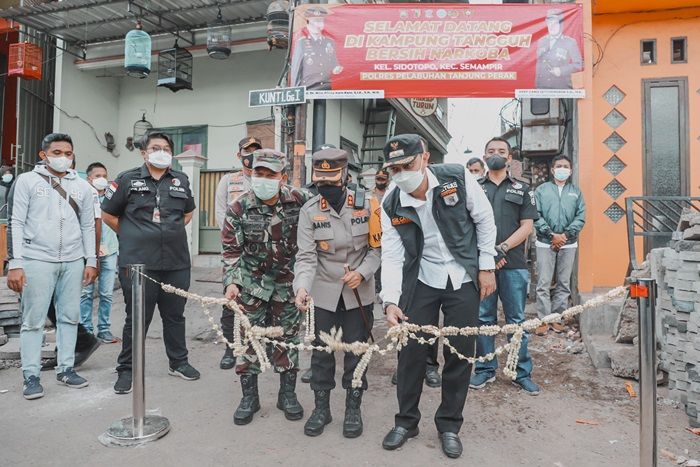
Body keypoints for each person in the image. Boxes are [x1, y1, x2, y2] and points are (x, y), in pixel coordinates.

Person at [379, 134, 497, 459]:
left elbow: (484, 219)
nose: (402, 173)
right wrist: (390, 299)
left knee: (459, 353)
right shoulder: (391, 202)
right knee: (411, 352)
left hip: (462, 274)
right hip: (421, 279)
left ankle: (449, 426)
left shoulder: (456, 178)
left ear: (425, 158)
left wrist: (485, 265)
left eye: (408, 165)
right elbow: (391, 255)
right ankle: (406, 421)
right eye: (394, 169)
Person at [102, 131, 200, 395]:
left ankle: (178, 362)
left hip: (177, 262)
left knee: (175, 317)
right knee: (137, 319)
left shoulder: (180, 179)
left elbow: (188, 213)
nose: (162, 151)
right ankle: (126, 369)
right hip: (138, 264)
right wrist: (134, 233)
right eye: (156, 147)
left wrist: (167, 231)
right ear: (144, 152)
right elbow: (108, 214)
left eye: (166, 148)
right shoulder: (126, 179)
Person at [294, 147, 381, 438]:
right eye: (321, 180)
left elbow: (377, 249)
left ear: (345, 175)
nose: (326, 185)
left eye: (332, 179)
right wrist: (302, 287)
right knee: (322, 354)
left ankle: (353, 409)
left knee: (357, 353)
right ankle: (322, 409)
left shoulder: (369, 205)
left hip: (359, 292)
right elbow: (306, 257)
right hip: (324, 292)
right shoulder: (309, 211)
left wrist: (362, 272)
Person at [222, 149, 311, 426]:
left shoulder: (301, 201)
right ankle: (250, 397)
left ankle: (287, 395)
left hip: (289, 283)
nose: (262, 179)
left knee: (289, 338)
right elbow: (231, 251)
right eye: (258, 173)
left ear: (282, 176)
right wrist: (232, 282)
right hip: (252, 284)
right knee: (249, 340)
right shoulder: (239, 207)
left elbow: (314, 237)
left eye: (269, 175)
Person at [7, 133, 98, 400]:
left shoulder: (81, 186)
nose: (64, 158)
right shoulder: (27, 181)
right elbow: (16, 222)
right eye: (57, 152)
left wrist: (90, 260)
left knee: (70, 317)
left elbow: (88, 225)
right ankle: (31, 375)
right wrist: (16, 263)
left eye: (68, 153)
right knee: (33, 321)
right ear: (43, 155)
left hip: (72, 260)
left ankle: (66, 368)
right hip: (37, 259)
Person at [470, 137, 540, 395]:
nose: (496, 154)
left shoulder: (523, 189)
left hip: (514, 264)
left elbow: (527, 226)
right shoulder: (474, 188)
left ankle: (520, 372)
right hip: (483, 266)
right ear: (484, 156)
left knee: (516, 321)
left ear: (510, 158)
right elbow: (468, 226)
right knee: (483, 318)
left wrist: (503, 248)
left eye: (501, 151)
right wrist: (487, 255)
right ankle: (484, 370)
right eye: (491, 151)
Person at [214, 136, 262, 370]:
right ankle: (230, 347)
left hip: (262, 252)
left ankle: (260, 345)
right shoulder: (228, 180)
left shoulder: (266, 178)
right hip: (235, 250)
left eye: (255, 150)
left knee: (262, 299)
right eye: (247, 151)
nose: (251, 155)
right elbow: (221, 214)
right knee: (231, 300)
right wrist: (234, 241)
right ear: (239, 154)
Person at [534, 155, 586, 335]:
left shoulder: (576, 192)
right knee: (543, 282)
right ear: (552, 169)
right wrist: (550, 234)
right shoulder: (541, 190)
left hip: (568, 243)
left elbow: (581, 217)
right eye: (559, 166)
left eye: (565, 166)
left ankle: (556, 318)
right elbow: (535, 214)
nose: (562, 169)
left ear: (570, 171)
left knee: (564, 283)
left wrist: (565, 235)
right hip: (544, 242)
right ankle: (543, 320)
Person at [80, 162, 120, 344]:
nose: (101, 178)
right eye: (97, 176)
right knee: (86, 293)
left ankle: (104, 329)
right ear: (89, 178)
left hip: (110, 250)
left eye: (104, 175)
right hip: (87, 253)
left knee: (106, 293)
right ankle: (87, 330)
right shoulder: (83, 197)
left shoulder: (113, 200)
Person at [290, 7, 343, 90]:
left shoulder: (329, 42)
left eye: (320, 21)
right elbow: (297, 67)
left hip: (326, 85)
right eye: (314, 22)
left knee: (321, 103)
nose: (317, 25)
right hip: (308, 85)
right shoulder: (302, 43)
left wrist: (337, 68)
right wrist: (295, 88)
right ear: (307, 24)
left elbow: (334, 62)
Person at [535, 8, 583, 89]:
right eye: (550, 23)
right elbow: (538, 67)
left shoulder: (570, 42)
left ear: (561, 24)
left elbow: (578, 65)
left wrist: (561, 70)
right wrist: (537, 87)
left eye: (555, 23)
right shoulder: (541, 41)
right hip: (542, 88)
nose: (552, 26)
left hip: (561, 88)